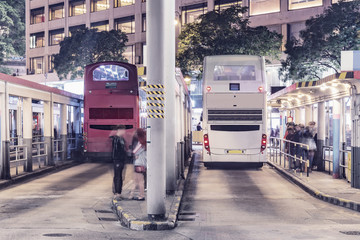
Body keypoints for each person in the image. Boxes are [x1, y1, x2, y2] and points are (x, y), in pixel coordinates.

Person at [110, 125, 128, 200]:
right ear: (119, 130)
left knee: (120, 177)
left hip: (121, 160)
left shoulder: (121, 139)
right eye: (123, 130)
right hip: (118, 160)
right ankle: (116, 193)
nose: (124, 131)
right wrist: (116, 159)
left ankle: (119, 193)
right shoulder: (116, 139)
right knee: (117, 177)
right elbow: (115, 151)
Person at [129, 128, 147, 201]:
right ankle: (132, 194)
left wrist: (135, 154)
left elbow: (134, 151)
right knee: (136, 180)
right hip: (140, 163)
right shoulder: (144, 142)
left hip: (139, 164)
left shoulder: (141, 143)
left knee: (140, 181)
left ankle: (141, 196)